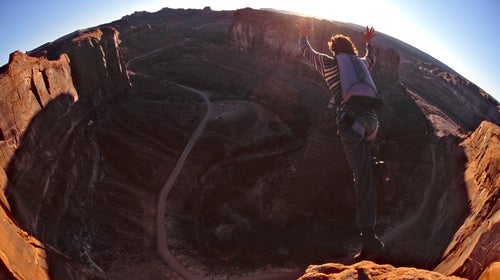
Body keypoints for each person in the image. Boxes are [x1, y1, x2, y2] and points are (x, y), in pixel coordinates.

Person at [296, 20, 384, 261]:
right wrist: (369, 44)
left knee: (362, 179)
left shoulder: (329, 63)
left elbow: (306, 52)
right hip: (373, 123)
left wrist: (303, 34)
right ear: (351, 51)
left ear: (334, 50)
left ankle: (369, 239)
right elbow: (371, 58)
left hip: (352, 124)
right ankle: (373, 220)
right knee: (366, 174)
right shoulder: (362, 65)